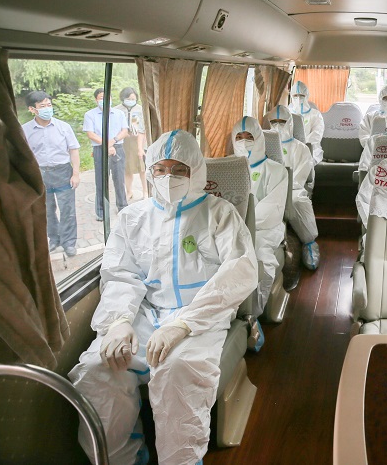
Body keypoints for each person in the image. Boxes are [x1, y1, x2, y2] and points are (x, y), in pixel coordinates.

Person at [68, 130, 258, 465]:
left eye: (179, 169)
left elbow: (238, 272)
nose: (169, 177)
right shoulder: (132, 217)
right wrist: (119, 321)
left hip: (199, 316)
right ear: (150, 170)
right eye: (160, 169)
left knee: (177, 369)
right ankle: (122, 458)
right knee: (98, 368)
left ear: (196, 170)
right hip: (145, 313)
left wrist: (183, 324)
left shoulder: (219, 213)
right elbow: (120, 273)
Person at [231, 116, 289, 316]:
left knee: (259, 257)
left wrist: (245, 225)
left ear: (259, 138)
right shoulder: (226, 169)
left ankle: (253, 314)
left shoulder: (276, 170)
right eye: (239, 137)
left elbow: (272, 209)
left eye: (249, 137)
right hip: (230, 228)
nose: (244, 142)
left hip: (264, 229)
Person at [21, 91, 81, 257]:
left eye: (49, 105)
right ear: (32, 109)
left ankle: (69, 243)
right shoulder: (25, 130)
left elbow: (74, 150)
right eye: (42, 106)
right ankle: (54, 239)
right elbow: (24, 156)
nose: (47, 108)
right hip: (40, 174)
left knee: (67, 210)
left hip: (62, 172)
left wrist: (76, 174)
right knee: (46, 210)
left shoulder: (63, 127)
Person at [264, 105, 321, 270]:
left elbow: (299, 178)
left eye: (282, 122)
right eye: (273, 122)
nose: (277, 126)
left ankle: (309, 242)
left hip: (293, 188)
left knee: (297, 201)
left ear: (290, 123)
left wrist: (282, 190)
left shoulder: (301, 148)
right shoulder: (262, 147)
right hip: (267, 190)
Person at [83, 88, 129, 221]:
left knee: (119, 179)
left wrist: (112, 142)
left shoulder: (119, 113)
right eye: (101, 98)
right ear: (96, 100)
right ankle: (101, 211)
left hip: (117, 147)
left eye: (107, 97)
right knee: (101, 181)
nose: (104, 100)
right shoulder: (90, 115)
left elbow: (124, 131)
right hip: (99, 148)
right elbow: (91, 134)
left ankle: (122, 207)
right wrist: (107, 145)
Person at [114, 87, 147, 200]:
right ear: (123, 98)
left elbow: (144, 127)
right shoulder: (117, 110)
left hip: (139, 141)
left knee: (142, 168)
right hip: (124, 142)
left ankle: (145, 191)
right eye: (128, 99)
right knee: (127, 168)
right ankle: (129, 191)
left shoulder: (140, 109)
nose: (131, 101)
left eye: (133, 99)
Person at [288, 81, 325, 164]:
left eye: (301, 95)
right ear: (291, 96)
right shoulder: (287, 114)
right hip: (290, 148)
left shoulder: (315, 114)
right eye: (295, 96)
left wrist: (301, 147)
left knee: (304, 162)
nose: (298, 98)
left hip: (311, 149)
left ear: (307, 95)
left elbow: (316, 135)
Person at [359, 84, 387, 149]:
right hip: (373, 150)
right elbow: (364, 135)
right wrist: (373, 146)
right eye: (385, 98)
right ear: (380, 99)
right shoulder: (369, 117)